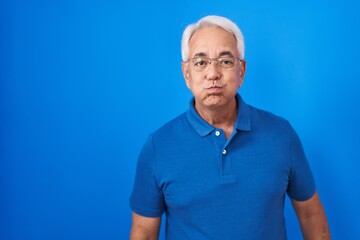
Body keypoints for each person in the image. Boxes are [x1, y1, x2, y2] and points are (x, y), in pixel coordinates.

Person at [129, 15, 330, 239]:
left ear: (241, 71)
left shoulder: (282, 135)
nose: (213, 74)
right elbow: (143, 232)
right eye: (200, 62)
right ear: (187, 74)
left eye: (225, 61)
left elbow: (310, 214)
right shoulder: (158, 147)